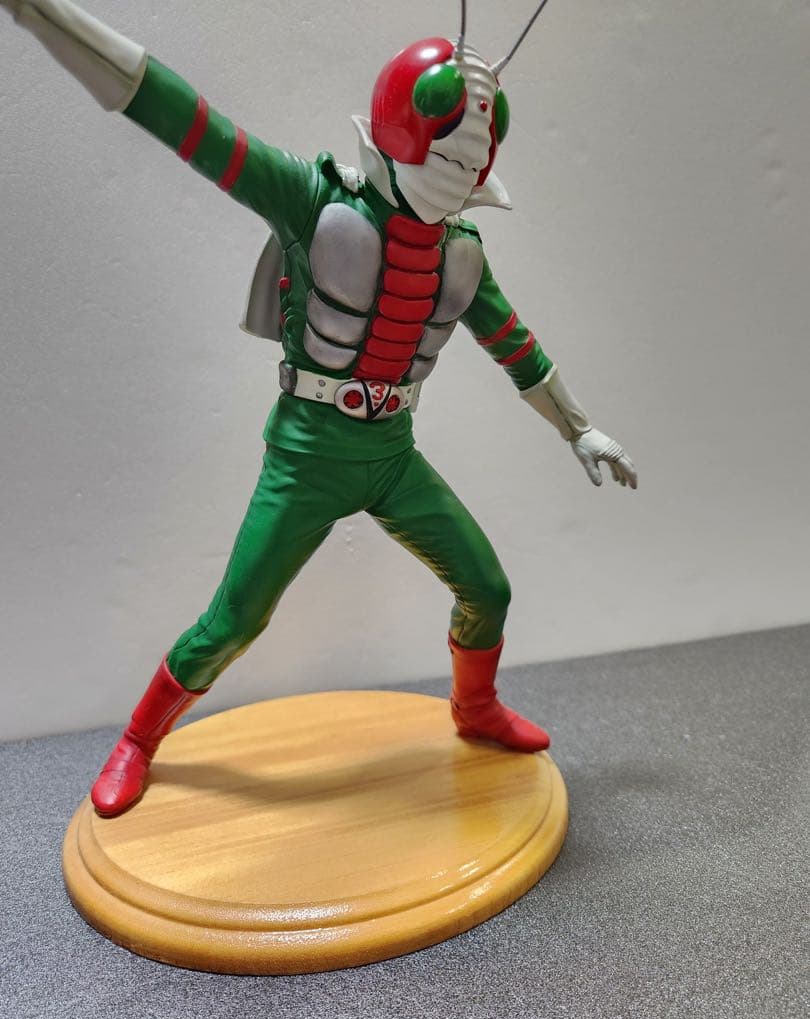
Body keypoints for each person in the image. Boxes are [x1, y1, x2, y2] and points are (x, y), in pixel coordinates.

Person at [1, 0, 637, 816]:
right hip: (306, 456)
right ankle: (136, 739)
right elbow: (184, 118)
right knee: (233, 622)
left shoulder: (462, 256)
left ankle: (474, 708)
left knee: (487, 587)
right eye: (449, 129)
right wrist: (45, 15)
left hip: (393, 458)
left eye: (479, 141)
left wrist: (580, 428)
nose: (464, 153)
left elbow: (518, 349)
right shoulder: (313, 202)